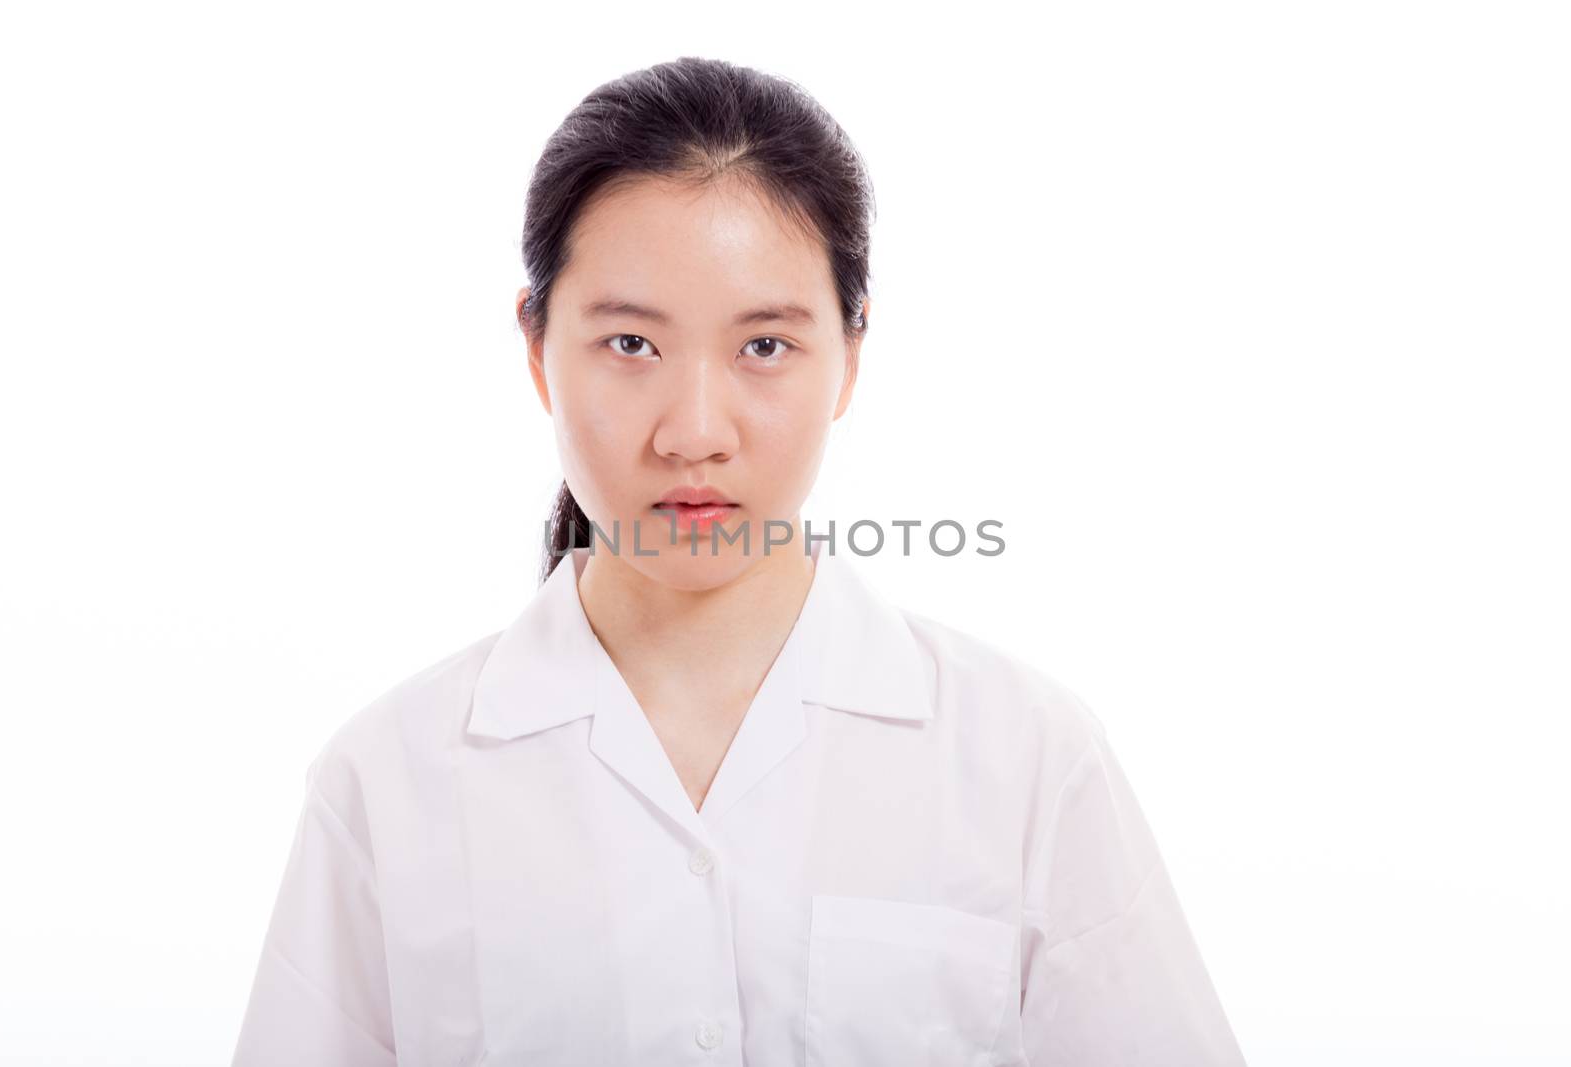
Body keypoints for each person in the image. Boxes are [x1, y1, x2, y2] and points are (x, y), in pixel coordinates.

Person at [231, 55, 1246, 1067]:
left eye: (763, 346)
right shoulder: (389, 780)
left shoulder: (1023, 759)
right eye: (631, 343)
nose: (695, 431)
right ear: (539, 349)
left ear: (850, 353)